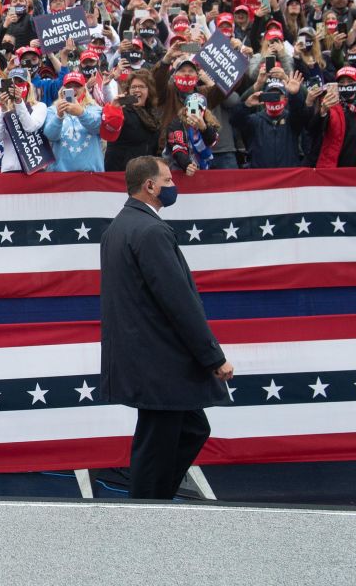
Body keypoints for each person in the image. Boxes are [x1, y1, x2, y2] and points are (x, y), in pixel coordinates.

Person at [100, 155, 235, 500]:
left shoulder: (118, 227)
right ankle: (148, 509)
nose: (173, 186)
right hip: (160, 361)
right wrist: (213, 357)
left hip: (146, 356)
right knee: (157, 442)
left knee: (191, 427)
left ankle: (156, 498)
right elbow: (179, 302)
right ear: (150, 186)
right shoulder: (151, 231)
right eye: (168, 181)